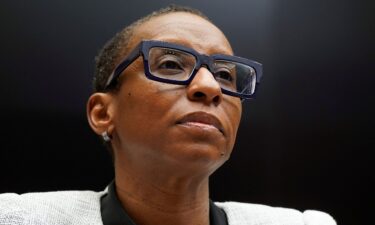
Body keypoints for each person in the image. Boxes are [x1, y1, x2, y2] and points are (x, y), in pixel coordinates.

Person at [0, 5, 336, 225]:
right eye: (171, 65)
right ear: (103, 113)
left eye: (224, 75)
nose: (210, 87)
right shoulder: (18, 218)